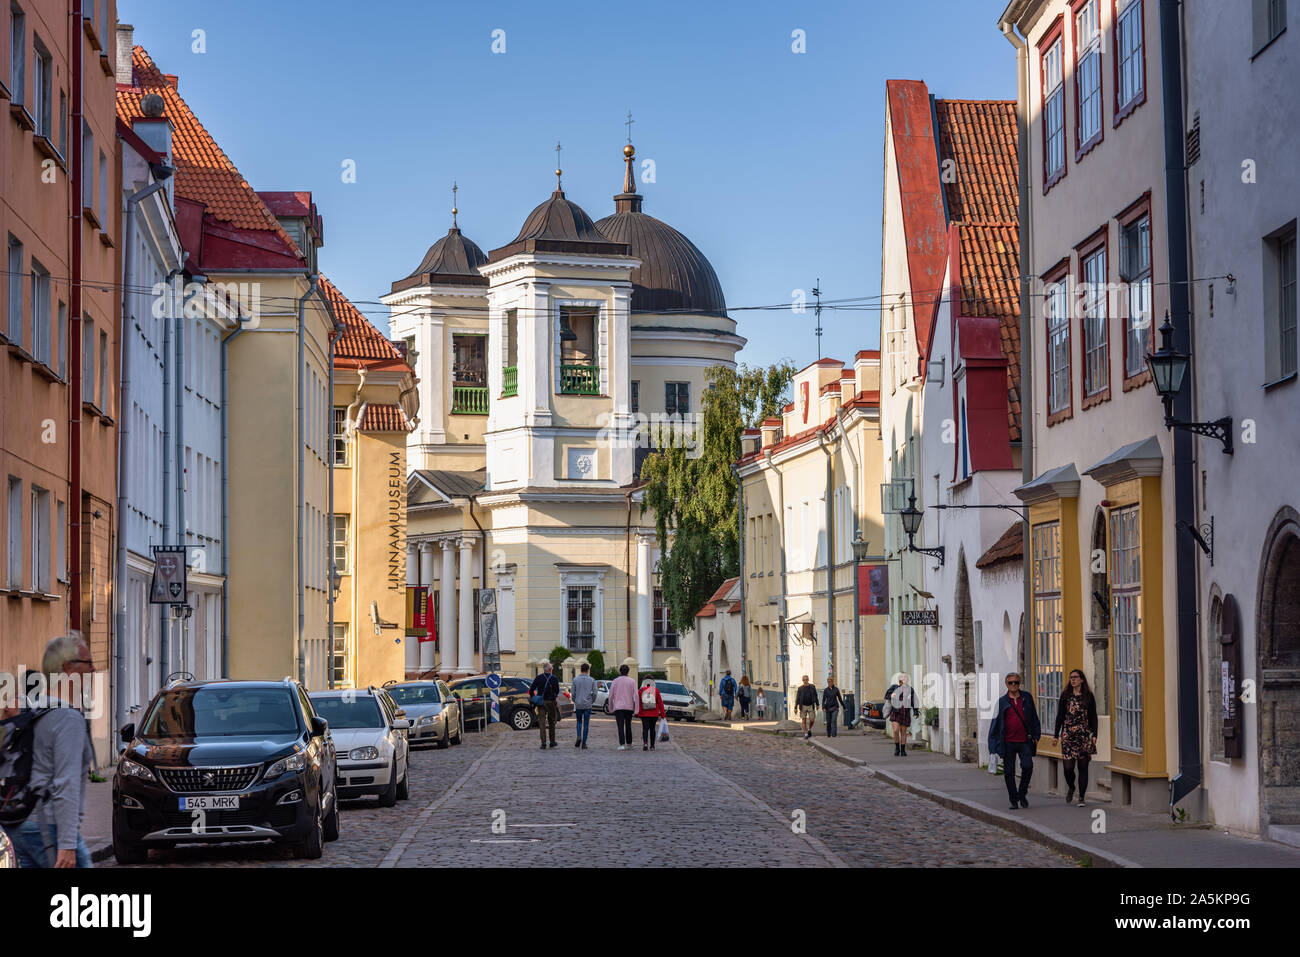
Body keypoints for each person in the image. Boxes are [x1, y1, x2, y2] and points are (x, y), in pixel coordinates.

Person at [3, 634, 96, 868]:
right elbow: (66, 783)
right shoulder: (68, 718)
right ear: (68, 668)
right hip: (48, 830)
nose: (93, 669)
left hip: (18, 825)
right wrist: (67, 845)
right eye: (87, 662)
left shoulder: (32, 707)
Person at [988, 672, 1042, 810]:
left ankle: (1022, 793)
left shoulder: (1027, 698)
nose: (1014, 685)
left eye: (1016, 682)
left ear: (1019, 684)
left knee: (1028, 766)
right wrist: (993, 746)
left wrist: (1036, 734)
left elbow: (1034, 717)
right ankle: (1013, 799)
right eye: (1011, 682)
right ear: (1006, 684)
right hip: (1008, 741)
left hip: (1025, 740)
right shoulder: (1001, 702)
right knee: (1009, 772)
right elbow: (995, 723)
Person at [1053, 669, 1098, 806]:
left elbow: (1093, 717)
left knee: (1083, 767)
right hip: (1068, 735)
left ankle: (1082, 797)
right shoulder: (1065, 696)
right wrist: (1056, 735)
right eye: (1071, 677)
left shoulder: (1088, 696)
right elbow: (1060, 716)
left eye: (1076, 677)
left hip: (1084, 735)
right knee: (1068, 768)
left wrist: (1094, 734)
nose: (1073, 680)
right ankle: (1072, 786)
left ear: (1082, 679)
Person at [882, 673, 919, 756]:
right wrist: (891, 695)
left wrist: (916, 711)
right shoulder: (894, 687)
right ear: (899, 679)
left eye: (905, 677)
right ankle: (897, 747)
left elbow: (914, 701)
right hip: (896, 712)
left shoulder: (910, 689)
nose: (904, 678)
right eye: (902, 677)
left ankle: (902, 750)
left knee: (903, 732)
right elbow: (886, 695)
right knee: (895, 730)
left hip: (905, 713)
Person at [528, 662, 561, 750]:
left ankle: (543, 743)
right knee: (552, 721)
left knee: (542, 722)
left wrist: (534, 698)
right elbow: (557, 691)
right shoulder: (554, 678)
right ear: (550, 670)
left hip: (541, 702)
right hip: (551, 702)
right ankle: (552, 742)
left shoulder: (538, 678)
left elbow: (531, 690)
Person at [608, 664, 639, 751]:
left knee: (620, 726)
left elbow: (610, 696)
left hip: (618, 707)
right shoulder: (632, 681)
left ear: (620, 671)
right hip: (629, 707)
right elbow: (636, 696)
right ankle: (629, 743)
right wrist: (636, 710)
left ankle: (622, 744)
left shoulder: (615, 681)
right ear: (628, 672)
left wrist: (611, 708)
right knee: (628, 725)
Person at [571, 662, 597, 749]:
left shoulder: (575, 680)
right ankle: (584, 743)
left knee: (579, 722)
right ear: (588, 670)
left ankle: (579, 736)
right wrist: (591, 701)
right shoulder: (592, 680)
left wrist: (575, 701)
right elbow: (595, 693)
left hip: (578, 704)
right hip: (587, 705)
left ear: (580, 670)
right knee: (586, 724)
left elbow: (573, 693)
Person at [635, 677, 666, 751]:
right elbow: (660, 703)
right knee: (652, 729)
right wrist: (663, 714)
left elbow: (638, 702)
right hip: (654, 713)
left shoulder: (641, 690)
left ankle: (645, 743)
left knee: (645, 729)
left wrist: (636, 712)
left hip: (644, 713)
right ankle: (652, 746)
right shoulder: (656, 690)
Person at [794, 675, 818, 739]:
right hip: (803, 706)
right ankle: (806, 734)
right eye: (804, 680)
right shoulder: (800, 688)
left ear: (808, 680)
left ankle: (809, 728)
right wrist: (795, 707)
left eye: (806, 680)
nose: (805, 681)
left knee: (812, 720)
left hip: (810, 705)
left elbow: (815, 696)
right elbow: (798, 698)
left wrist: (817, 704)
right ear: (802, 680)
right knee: (803, 720)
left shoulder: (812, 687)